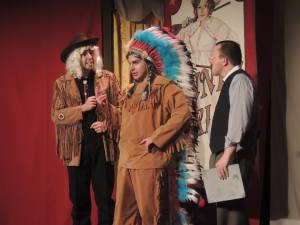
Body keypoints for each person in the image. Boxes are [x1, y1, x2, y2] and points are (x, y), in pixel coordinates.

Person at [113, 27, 198, 225]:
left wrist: (157, 137)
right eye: (130, 64)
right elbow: (124, 120)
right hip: (126, 162)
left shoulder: (164, 87)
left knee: (152, 216)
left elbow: (183, 112)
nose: (132, 68)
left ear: (148, 62)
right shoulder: (128, 92)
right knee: (123, 218)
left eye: (136, 63)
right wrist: (106, 112)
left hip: (149, 161)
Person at [51, 34, 121, 225]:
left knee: (105, 201)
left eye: (92, 52)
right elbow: (56, 116)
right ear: (76, 58)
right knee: (80, 204)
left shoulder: (107, 78)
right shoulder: (62, 84)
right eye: (85, 54)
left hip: (102, 146)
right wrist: (81, 109)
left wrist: (106, 119)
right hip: (76, 149)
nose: (91, 57)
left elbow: (124, 113)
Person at [209, 40, 256, 225]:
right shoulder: (231, 81)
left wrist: (227, 154)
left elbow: (239, 120)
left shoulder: (240, 80)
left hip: (232, 156)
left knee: (232, 214)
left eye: (214, 56)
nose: (210, 60)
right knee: (225, 211)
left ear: (225, 60)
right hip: (225, 155)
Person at [177, 0, 238, 68]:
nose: (202, 11)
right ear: (196, 9)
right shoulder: (190, 27)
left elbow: (232, 47)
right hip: (194, 71)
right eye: (199, 7)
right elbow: (176, 44)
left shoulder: (218, 25)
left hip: (211, 71)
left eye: (205, 6)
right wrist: (183, 28)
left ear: (210, 9)